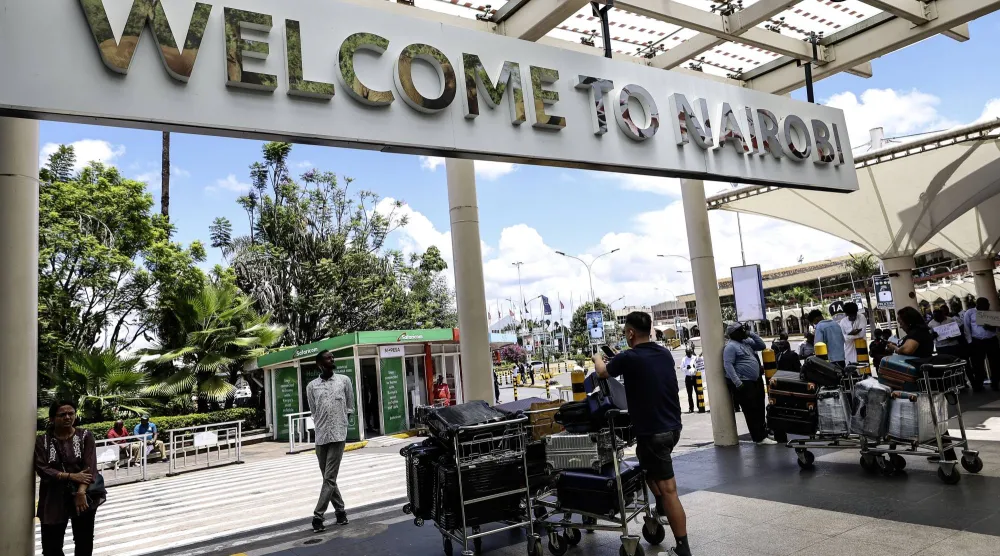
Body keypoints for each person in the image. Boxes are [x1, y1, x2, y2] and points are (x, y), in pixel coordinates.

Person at [593, 312, 691, 556]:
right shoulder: (663, 353)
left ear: (630, 333)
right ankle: (661, 506)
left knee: (669, 489)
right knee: (645, 465)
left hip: (654, 432)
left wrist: (597, 357)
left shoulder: (629, 357)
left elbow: (602, 372)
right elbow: (642, 366)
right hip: (673, 428)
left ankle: (683, 548)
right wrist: (619, 357)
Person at [35, 400, 104, 556]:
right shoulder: (42, 441)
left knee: (84, 543)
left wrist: (81, 492)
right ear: (52, 418)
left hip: (82, 495)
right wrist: (72, 476)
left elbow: (89, 467)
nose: (67, 417)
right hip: (53, 497)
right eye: (62, 414)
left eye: (71, 413)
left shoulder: (85, 436)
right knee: (51, 547)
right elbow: (43, 469)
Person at [308, 349, 356, 532]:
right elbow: (314, 410)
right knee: (328, 478)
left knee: (329, 478)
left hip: (338, 435)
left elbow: (350, 406)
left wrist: (342, 425)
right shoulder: (312, 386)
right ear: (320, 364)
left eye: (332, 357)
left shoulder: (344, 381)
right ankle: (340, 512)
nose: (332, 360)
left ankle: (318, 516)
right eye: (328, 358)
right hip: (321, 436)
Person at [723, 322, 775, 445]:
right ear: (734, 334)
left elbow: (761, 345)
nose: (743, 331)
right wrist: (738, 382)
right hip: (744, 382)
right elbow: (728, 365)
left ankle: (763, 433)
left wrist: (750, 333)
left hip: (755, 380)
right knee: (751, 410)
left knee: (760, 407)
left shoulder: (746, 342)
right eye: (741, 330)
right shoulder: (730, 347)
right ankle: (758, 437)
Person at [963, 297, 1000, 392]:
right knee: (978, 364)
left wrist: (991, 327)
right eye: (986, 304)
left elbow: (997, 328)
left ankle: (995, 383)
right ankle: (979, 384)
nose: (988, 306)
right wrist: (970, 342)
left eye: (988, 304)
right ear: (978, 305)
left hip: (991, 340)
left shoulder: (990, 313)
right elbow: (967, 328)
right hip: (977, 341)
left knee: (995, 362)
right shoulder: (970, 313)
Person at [679, 349, 697, 413]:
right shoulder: (684, 359)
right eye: (688, 354)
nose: (689, 355)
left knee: (698, 392)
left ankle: (699, 406)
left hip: (695, 377)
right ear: (686, 353)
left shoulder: (695, 358)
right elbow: (681, 368)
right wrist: (686, 368)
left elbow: (699, 365)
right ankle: (691, 408)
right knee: (689, 394)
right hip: (688, 377)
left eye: (690, 354)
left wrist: (695, 367)